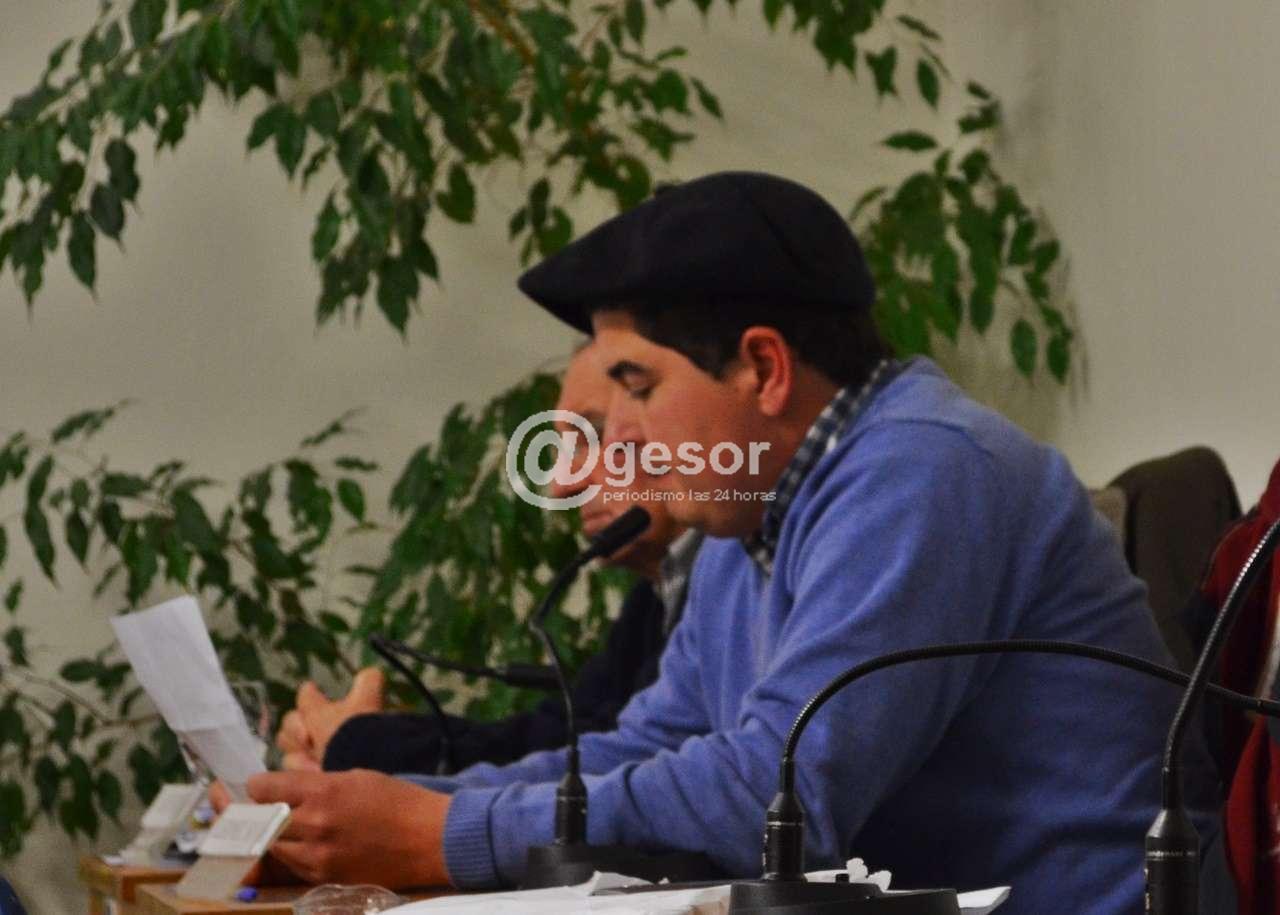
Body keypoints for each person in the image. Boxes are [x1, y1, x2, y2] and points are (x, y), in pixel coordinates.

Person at [245, 172, 1227, 914]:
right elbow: (650, 743)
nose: (621, 438)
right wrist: (370, 809)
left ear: (762, 367)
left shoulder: (923, 466)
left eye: (637, 388)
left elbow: (776, 792)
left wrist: (443, 834)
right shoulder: (743, 513)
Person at [272, 344, 702, 778]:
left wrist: (361, 746)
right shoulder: (655, 597)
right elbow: (558, 739)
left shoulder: (725, 583)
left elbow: (620, 767)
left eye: (593, 434)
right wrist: (365, 742)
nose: (561, 486)